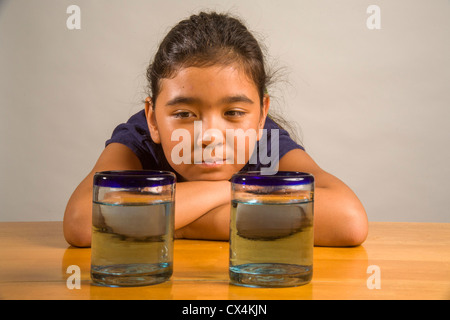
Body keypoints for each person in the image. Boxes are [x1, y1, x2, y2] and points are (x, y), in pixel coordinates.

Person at [63, 11, 368, 248]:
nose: (209, 135)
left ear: (262, 117)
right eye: (184, 113)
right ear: (153, 119)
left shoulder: (267, 142)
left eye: (233, 113)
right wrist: (239, 190)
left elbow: (348, 220)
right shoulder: (138, 138)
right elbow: (80, 221)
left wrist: (166, 222)